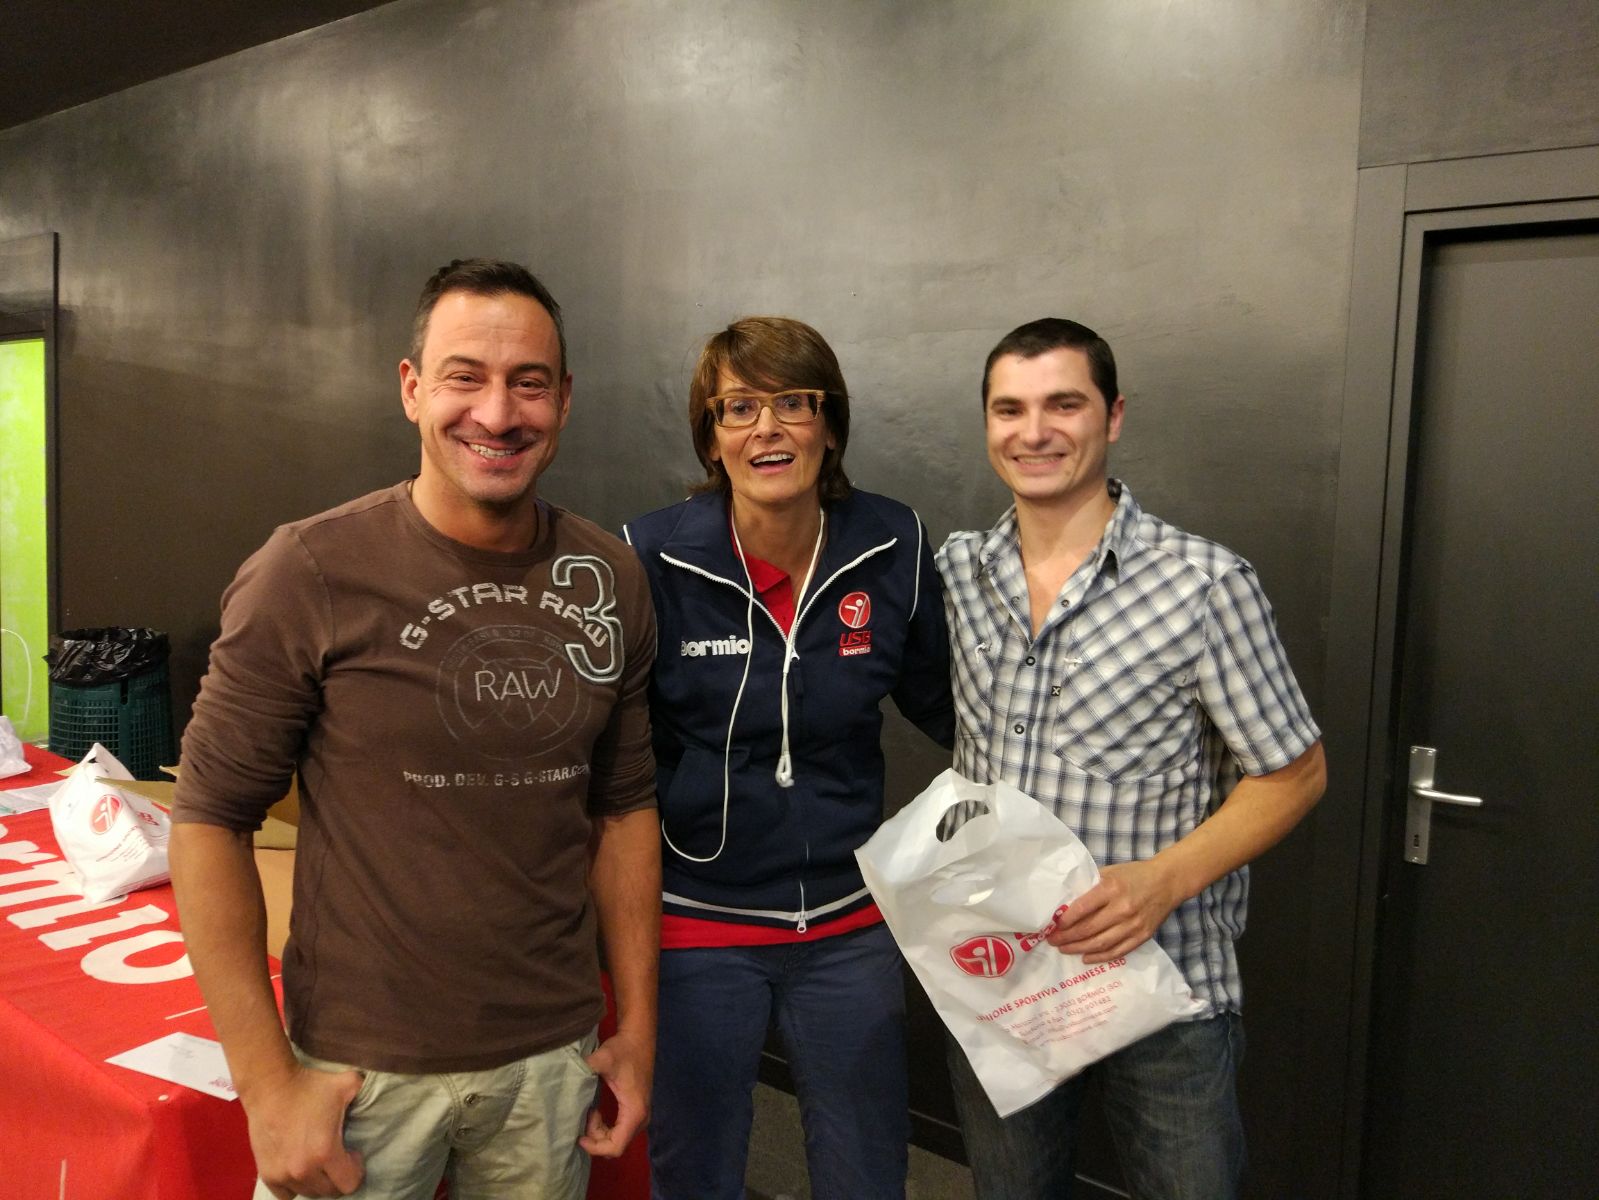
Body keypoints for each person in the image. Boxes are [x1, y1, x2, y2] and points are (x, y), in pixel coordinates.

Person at [169, 258, 660, 1200]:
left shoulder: (610, 576)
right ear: (411, 389)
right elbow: (208, 821)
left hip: (550, 1059)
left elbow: (624, 808)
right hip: (359, 1072)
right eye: (464, 377)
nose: (496, 413)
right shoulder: (308, 571)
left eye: (527, 383)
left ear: (564, 399)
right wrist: (265, 1085)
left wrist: (636, 1028)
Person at [937, 318, 1327, 1199]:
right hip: (1004, 973)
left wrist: (1161, 881)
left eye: (1062, 404)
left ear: (1112, 416)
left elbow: (1295, 773)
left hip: (1164, 984)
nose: (1033, 431)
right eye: (1009, 409)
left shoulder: (1203, 583)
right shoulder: (956, 574)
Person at [622, 317, 954, 1200]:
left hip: (848, 921)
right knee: (694, 1173)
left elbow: (955, 710)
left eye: (793, 403)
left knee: (867, 1175)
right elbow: (609, 758)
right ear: (711, 438)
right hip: (699, 922)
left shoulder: (892, 542)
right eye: (738, 408)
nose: (766, 428)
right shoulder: (650, 555)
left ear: (829, 425)